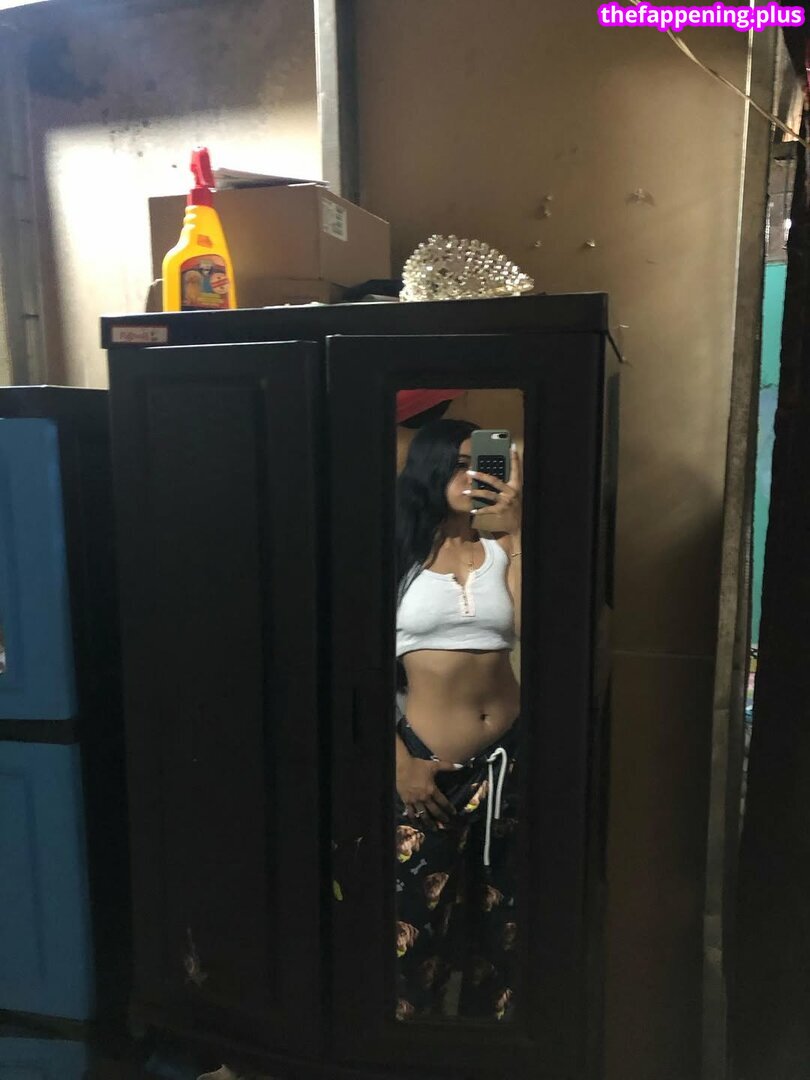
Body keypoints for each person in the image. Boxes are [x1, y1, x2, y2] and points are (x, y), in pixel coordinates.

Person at [394, 418, 522, 1022]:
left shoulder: (501, 551)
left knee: (503, 927)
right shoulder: (397, 555)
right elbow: (350, 666)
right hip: (428, 767)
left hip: (510, 763)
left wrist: (516, 529)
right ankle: (406, 1048)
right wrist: (400, 763)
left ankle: (487, 1048)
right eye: (461, 462)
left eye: (484, 462)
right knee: (412, 928)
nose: (474, 474)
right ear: (432, 468)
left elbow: (543, 627)